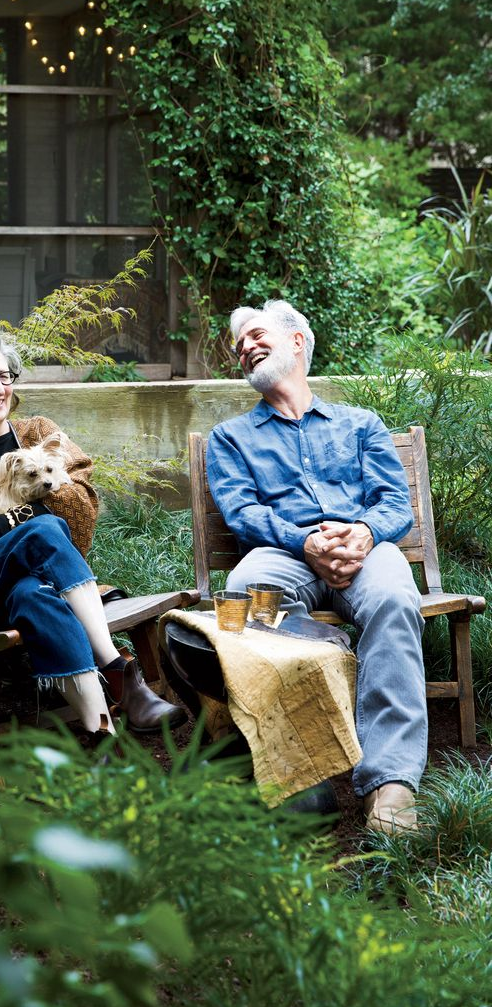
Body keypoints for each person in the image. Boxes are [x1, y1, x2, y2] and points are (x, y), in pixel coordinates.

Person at [206, 299, 427, 834]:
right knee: (247, 588)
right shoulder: (231, 437)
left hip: (365, 550)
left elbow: (395, 502)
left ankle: (391, 786)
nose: (245, 349)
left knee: (396, 599)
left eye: (256, 336)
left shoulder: (360, 423)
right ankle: (302, 772)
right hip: (282, 553)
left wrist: (364, 533)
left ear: (297, 341)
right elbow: (242, 513)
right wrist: (305, 542)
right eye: (239, 347)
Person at [0, 323, 186, 741]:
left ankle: (102, 735)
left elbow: (80, 504)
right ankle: (118, 669)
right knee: (42, 528)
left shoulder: (39, 433)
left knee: (33, 593)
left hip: (33, 581)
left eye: (5, 376)